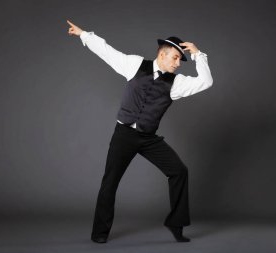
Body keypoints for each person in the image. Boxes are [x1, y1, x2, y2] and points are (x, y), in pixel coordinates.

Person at [67, 20, 213, 243]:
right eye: (175, 57)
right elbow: (107, 52)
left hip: (148, 139)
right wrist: (84, 35)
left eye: (180, 60)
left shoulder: (177, 83)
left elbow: (206, 81)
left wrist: (198, 54)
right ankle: (99, 234)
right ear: (162, 54)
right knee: (110, 183)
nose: (178, 63)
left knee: (179, 171)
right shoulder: (135, 64)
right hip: (124, 134)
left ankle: (176, 225)